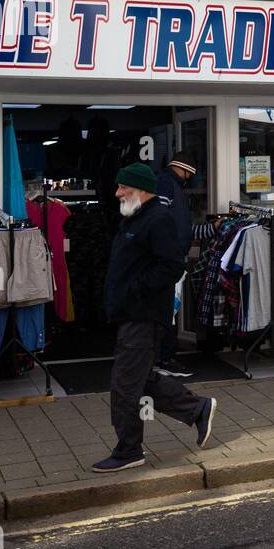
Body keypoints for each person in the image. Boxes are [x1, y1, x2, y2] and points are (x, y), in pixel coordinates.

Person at [93, 162, 216, 473]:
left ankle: (128, 451)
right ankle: (197, 409)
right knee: (142, 378)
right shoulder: (135, 217)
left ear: (143, 191)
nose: (117, 192)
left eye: (124, 188)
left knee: (124, 385)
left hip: (143, 316)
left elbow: (172, 265)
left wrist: (137, 290)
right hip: (131, 314)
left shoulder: (157, 219)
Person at [155, 150, 198, 378]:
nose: (190, 178)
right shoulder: (167, 185)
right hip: (170, 259)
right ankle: (166, 358)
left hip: (170, 257)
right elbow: (162, 220)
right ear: (183, 169)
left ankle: (164, 357)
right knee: (168, 310)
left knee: (169, 310)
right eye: (189, 174)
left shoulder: (169, 185)